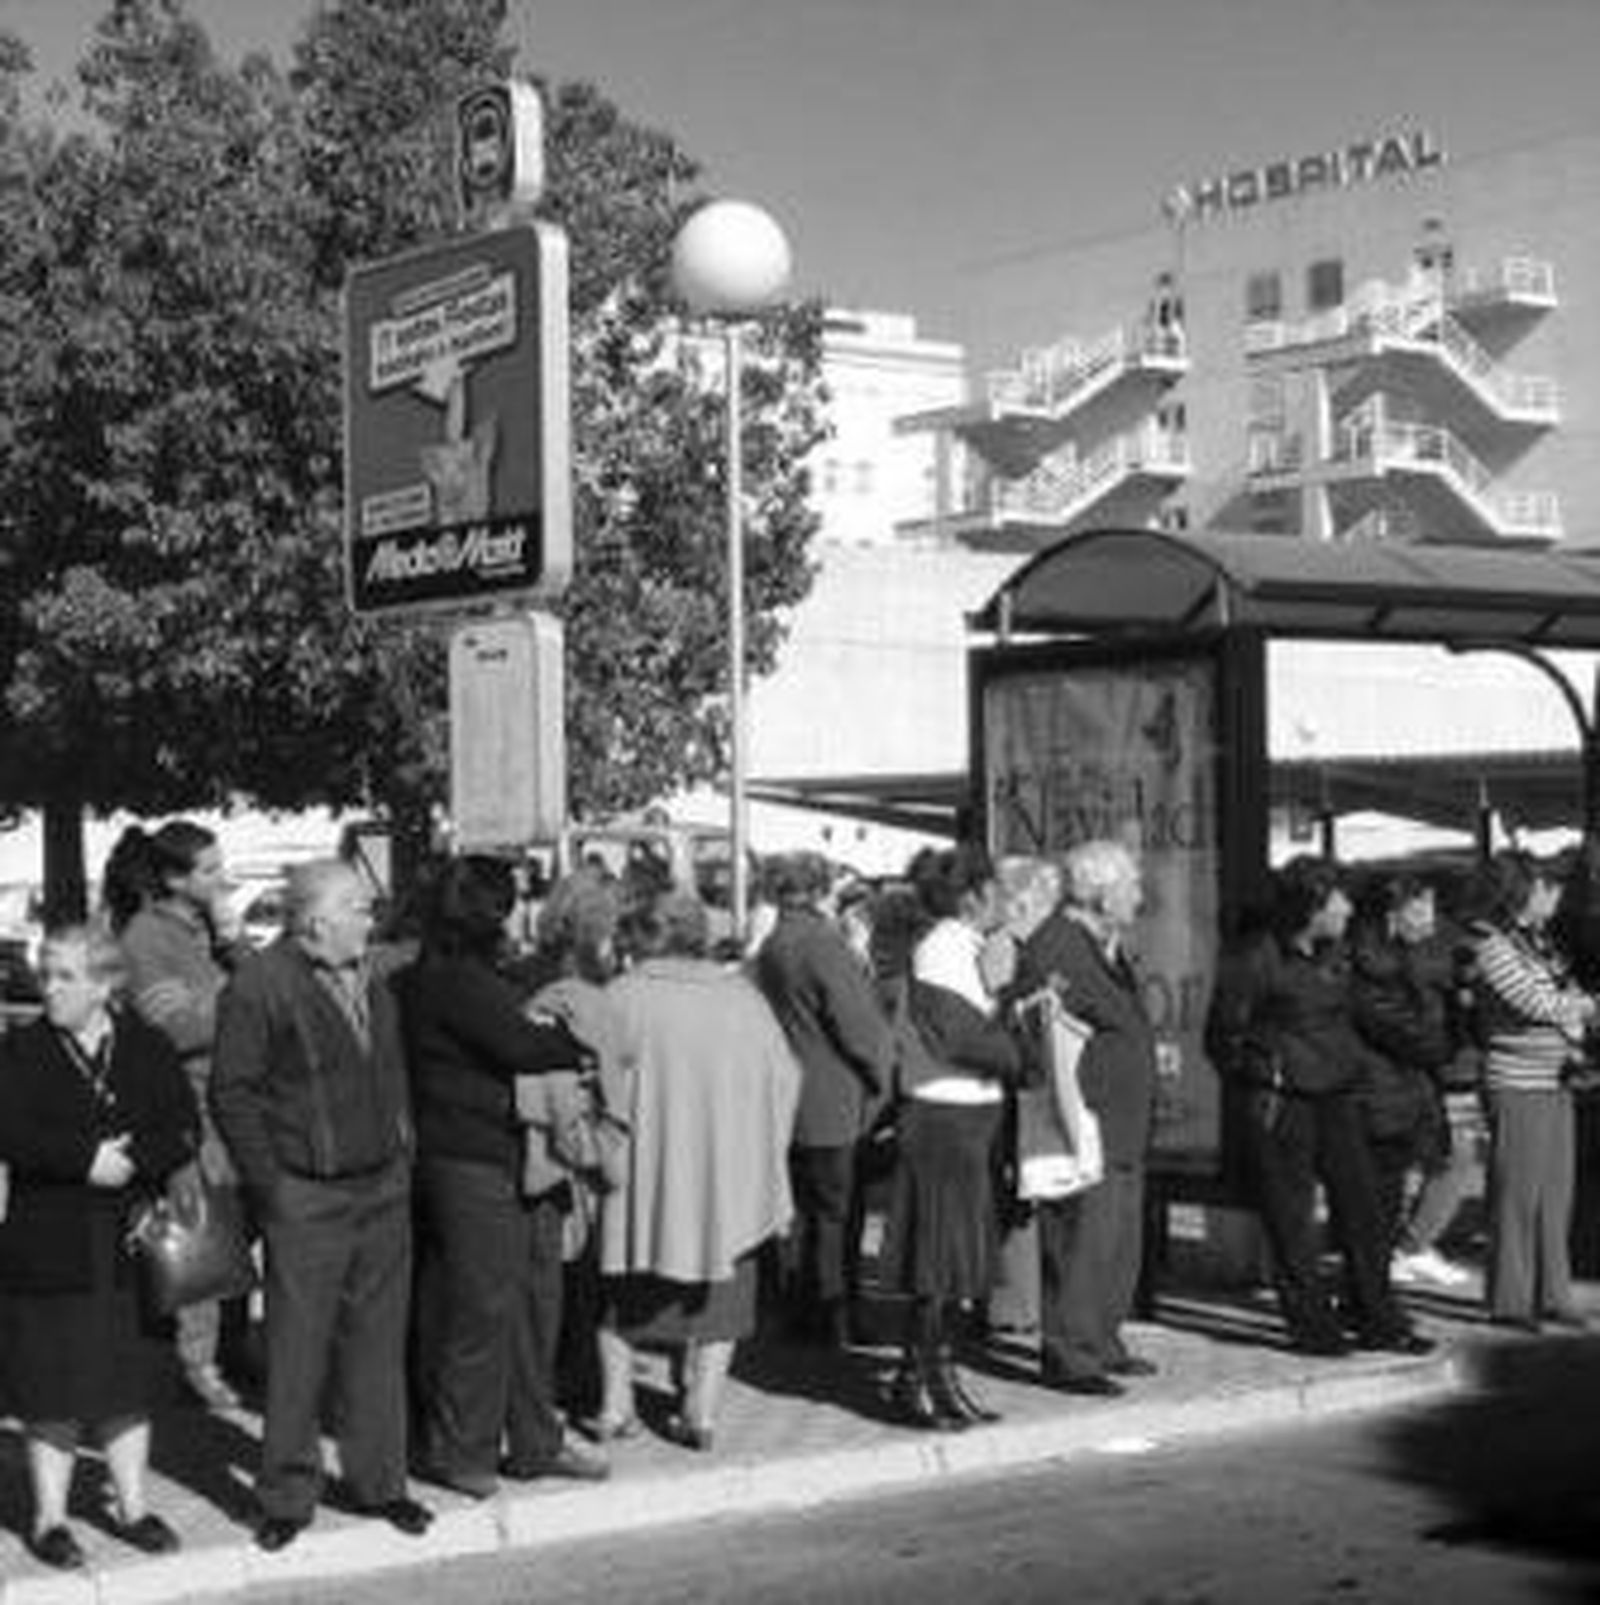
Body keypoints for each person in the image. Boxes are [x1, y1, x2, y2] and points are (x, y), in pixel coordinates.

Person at [211, 859, 432, 1552]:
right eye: (359, 908)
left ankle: (381, 1482)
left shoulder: (371, 975)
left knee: (377, 1345)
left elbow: (391, 1069)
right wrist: (272, 1186)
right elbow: (232, 1092)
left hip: (382, 1187)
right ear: (316, 920)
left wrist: (402, 1150)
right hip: (305, 1194)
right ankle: (285, 1494)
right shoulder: (261, 984)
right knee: (297, 1349)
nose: (371, 919)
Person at [397, 856, 606, 1500]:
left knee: (531, 1305)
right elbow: (522, 1044)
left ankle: (535, 1438)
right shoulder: (454, 979)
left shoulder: (453, 974)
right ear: (488, 910)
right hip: (471, 1158)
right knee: (482, 1309)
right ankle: (461, 1450)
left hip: (504, 1156)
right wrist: (576, 1040)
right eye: (510, 902)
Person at [0, 925, 199, 1570]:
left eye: (65, 976)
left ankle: (133, 1508)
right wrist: (83, 1159)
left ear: (104, 985)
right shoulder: (22, 1049)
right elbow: (10, 1131)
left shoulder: (146, 1046)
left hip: (131, 1239)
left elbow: (182, 1126)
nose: (48, 988)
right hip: (50, 1239)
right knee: (51, 1382)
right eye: (46, 974)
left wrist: (134, 1161)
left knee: (127, 1377)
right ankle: (50, 1518)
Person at [595, 888, 799, 1451]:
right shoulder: (742, 1000)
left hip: (639, 1176)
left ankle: (615, 1404)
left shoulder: (618, 997)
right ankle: (701, 1410)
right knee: (723, 1293)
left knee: (618, 1284)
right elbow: (784, 1079)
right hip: (724, 1177)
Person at [1206, 856, 1432, 1358]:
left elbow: (1354, 1013)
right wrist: (1263, 1075)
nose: (1347, 909)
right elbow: (1222, 1035)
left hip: (1336, 1094)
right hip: (1282, 1101)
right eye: (1338, 900)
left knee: (1363, 1212)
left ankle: (1378, 1319)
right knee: (1292, 1220)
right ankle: (1311, 1325)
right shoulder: (1256, 956)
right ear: (1311, 906)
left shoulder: (1335, 954)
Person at [103, 819, 252, 1411]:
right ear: (174, 878)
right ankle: (196, 1365)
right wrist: (240, 1006)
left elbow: (263, 987)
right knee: (200, 1235)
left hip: (234, 1102)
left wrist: (234, 943)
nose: (222, 879)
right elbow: (174, 1030)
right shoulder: (146, 940)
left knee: (236, 1231)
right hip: (188, 1107)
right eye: (210, 870)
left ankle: (231, 1348)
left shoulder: (206, 932)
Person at [880, 844, 1022, 1431]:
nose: (1005, 900)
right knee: (937, 1260)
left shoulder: (964, 946)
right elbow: (959, 1036)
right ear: (973, 895)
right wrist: (1016, 1031)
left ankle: (930, 1376)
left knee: (952, 1261)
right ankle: (921, 1379)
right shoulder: (942, 947)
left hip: (965, 1114)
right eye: (997, 889)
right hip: (944, 1115)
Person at [1012, 840, 1159, 1396]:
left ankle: (1102, 1339)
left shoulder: (1105, 945)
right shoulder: (1058, 946)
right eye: (1131, 886)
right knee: (1080, 1240)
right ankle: (1070, 1354)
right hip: (1086, 1119)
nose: (1139, 896)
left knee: (1116, 1240)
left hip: (1120, 1120)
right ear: (1100, 892)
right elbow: (1038, 1031)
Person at [755, 851, 894, 1348]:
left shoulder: (774, 943)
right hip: (833, 1099)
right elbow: (861, 1028)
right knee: (838, 1216)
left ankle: (801, 1313)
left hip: (790, 1095)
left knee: (803, 1217)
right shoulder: (821, 945)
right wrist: (882, 1079)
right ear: (818, 891)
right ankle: (836, 1317)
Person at [1468, 850, 1597, 1332]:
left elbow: (1562, 995)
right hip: (1518, 1083)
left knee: (1555, 1195)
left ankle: (1553, 1293)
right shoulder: (1493, 946)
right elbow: (1533, 1002)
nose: (1556, 895)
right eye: (1547, 886)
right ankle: (1511, 1300)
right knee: (1517, 1195)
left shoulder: (1538, 942)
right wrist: (1587, 1007)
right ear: (1521, 891)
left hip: (1555, 1079)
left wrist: (1578, 1010)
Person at [1347, 875, 1462, 1279]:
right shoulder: (1374, 961)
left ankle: (1389, 1266)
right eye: (1419, 909)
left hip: (1402, 1086)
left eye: (1431, 908)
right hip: (1381, 1089)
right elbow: (1405, 1029)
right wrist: (1445, 1042)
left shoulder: (1405, 954)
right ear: (1391, 913)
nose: (1429, 919)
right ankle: (1383, 1271)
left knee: (1403, 1181)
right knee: (1379, 1192)